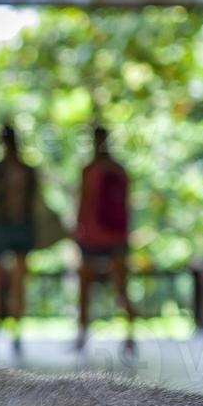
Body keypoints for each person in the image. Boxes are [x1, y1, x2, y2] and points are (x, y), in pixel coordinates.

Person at [74, 127, 136, 354]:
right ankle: (130, 336)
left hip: (92, 237)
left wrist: (77, 233)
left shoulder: (90, 170)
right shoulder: (119, 170)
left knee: (85, 288)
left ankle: (82, 334)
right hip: (116, 238)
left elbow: (83, 203)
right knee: (122, 289)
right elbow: (127, 206)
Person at [0, 125, 38, 350]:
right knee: (3, 281)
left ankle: (7, 330)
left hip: (13, 228)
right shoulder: (1, 171)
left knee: (12, 283)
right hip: (8, 228)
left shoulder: (7, 171)